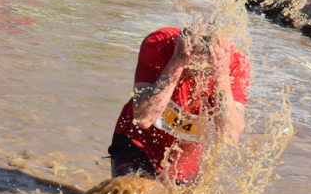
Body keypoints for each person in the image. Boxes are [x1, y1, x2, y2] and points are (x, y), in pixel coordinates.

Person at [107, 25, 250, 184]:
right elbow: (143, 118)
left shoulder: (235, 64)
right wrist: (178, 62)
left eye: (205, 71)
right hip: (137, 143)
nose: (197, 77)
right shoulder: (159, 42)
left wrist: (221, 76)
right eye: (192, 67)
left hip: (184, 160)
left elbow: (230, 135)